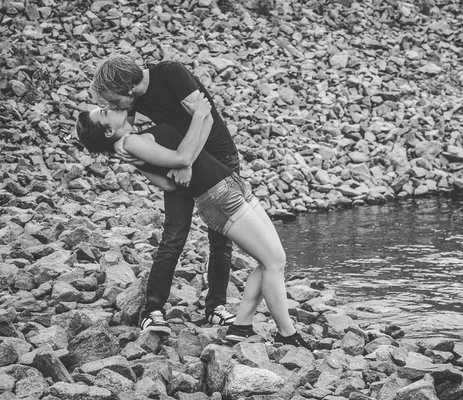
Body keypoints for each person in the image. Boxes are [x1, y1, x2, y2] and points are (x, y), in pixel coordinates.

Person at [75, 97, 312, 350]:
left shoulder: (133, 142)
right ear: (109, 130)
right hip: (219, 197)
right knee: (273, 261)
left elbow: (168, 183)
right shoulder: (132, 142)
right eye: (104, 112)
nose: (110, 107)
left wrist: (146, 164)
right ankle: (287, 334)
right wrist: (199, 115)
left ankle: (242, 326)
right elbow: (182, 158)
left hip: (230, 186)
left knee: (274, 260)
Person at [90, 55, 239, 332]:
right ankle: (153, 309)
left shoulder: (171, 73)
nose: (112, 106)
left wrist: (188, 162)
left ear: (129, 89)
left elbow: (203, 116)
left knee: (221, 239)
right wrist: (122, 144)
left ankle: (216, 306)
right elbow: (126, 127)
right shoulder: (131, 100)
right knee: (174, 235)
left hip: (218, 158)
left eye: (114, 101)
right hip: (180, 165)